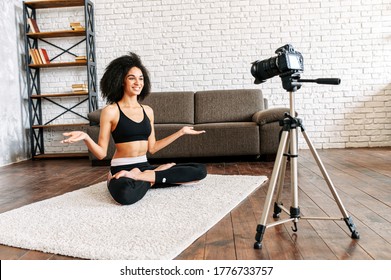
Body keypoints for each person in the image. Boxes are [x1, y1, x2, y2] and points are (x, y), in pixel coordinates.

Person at [62, 52, 207, 205]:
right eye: (132, 78)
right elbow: (101, 154)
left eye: (141, 78)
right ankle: (154, 177)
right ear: (121, 81)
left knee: (200, 170)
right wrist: (85, 137)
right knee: (125, 194)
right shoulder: (111, 111)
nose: (138, 82)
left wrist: (181, 132)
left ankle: (145, 176)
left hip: (144, 167)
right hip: (121, 168)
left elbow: (153, 147)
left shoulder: (148, 110)